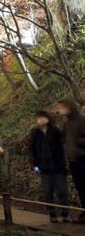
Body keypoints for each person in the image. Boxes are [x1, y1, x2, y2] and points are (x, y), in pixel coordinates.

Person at [31, 109, 69, 223]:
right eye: (39, 117)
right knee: (48, 192)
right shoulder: (36, 133)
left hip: (58, 168)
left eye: (43, 116)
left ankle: (65, 214)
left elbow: (63, 146)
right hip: (44, 169)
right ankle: (52, 214)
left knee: (62, 191)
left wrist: (64, 162)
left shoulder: (55, 131)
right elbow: (33, 150)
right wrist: (35, 165)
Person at [56, 95, 85, 223]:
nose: (60, 109)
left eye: (62, 106)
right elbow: (62, 139)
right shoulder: (65, 123)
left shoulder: (82, 120)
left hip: (83, 159)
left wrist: (78, 143)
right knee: (80, 188)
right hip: (73, 161)